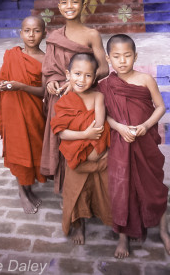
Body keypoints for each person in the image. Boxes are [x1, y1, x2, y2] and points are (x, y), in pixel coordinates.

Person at [98, 34, 170, 258]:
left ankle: (163, 231)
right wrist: (119, 128)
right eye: (116, 56)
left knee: (154, 187)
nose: (122, 61)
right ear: (108, 58)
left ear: (136, 56)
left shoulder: (145, 80)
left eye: (127, 55)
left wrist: (144, 126)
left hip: (145, 142)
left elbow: (160, 107)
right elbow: (104, 116)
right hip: (120, 142)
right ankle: (123, 238)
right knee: (121, 189)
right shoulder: (105, 85)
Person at [41, 0, 109, 193]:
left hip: (85, 99)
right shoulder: (54, 36)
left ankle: (88, 193)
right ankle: (67, 191)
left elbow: (104, 67)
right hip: (60, 99)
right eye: (64, 2)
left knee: (83, 143)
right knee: (63, 139)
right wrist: (52, 81)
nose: (69, 6)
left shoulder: (91, 34)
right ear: (59, 6)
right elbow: (49, 68)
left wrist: (79, 82)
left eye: (75, 1)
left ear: (84, 5)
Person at [50, 53, 112, 244]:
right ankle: (79, 226)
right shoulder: (64, 102)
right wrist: (84, 135)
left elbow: (99, 127)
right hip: (76, 159)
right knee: (76, 194)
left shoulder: (98, 97)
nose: (82, 79)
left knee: (103, 192)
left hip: (99, 156)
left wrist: (88, 134)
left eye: (87, 75)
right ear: (68, 74)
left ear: (94, 78)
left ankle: (109, 219)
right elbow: (61, 133)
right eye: (77, 73)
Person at [0, 16, 47, 214]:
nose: (31, 35)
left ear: (44, 33)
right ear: (20, 33)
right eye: (27, 30)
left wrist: (22, 87)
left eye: (36, 31)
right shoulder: (11, 55)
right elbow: (2, 79)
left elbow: (44, 92)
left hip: (33, 110)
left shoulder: (45, 59)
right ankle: (22, 192)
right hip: (12, 109)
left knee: (33, 148)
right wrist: (2, 85)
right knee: (18, 150)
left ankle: (28, 188)